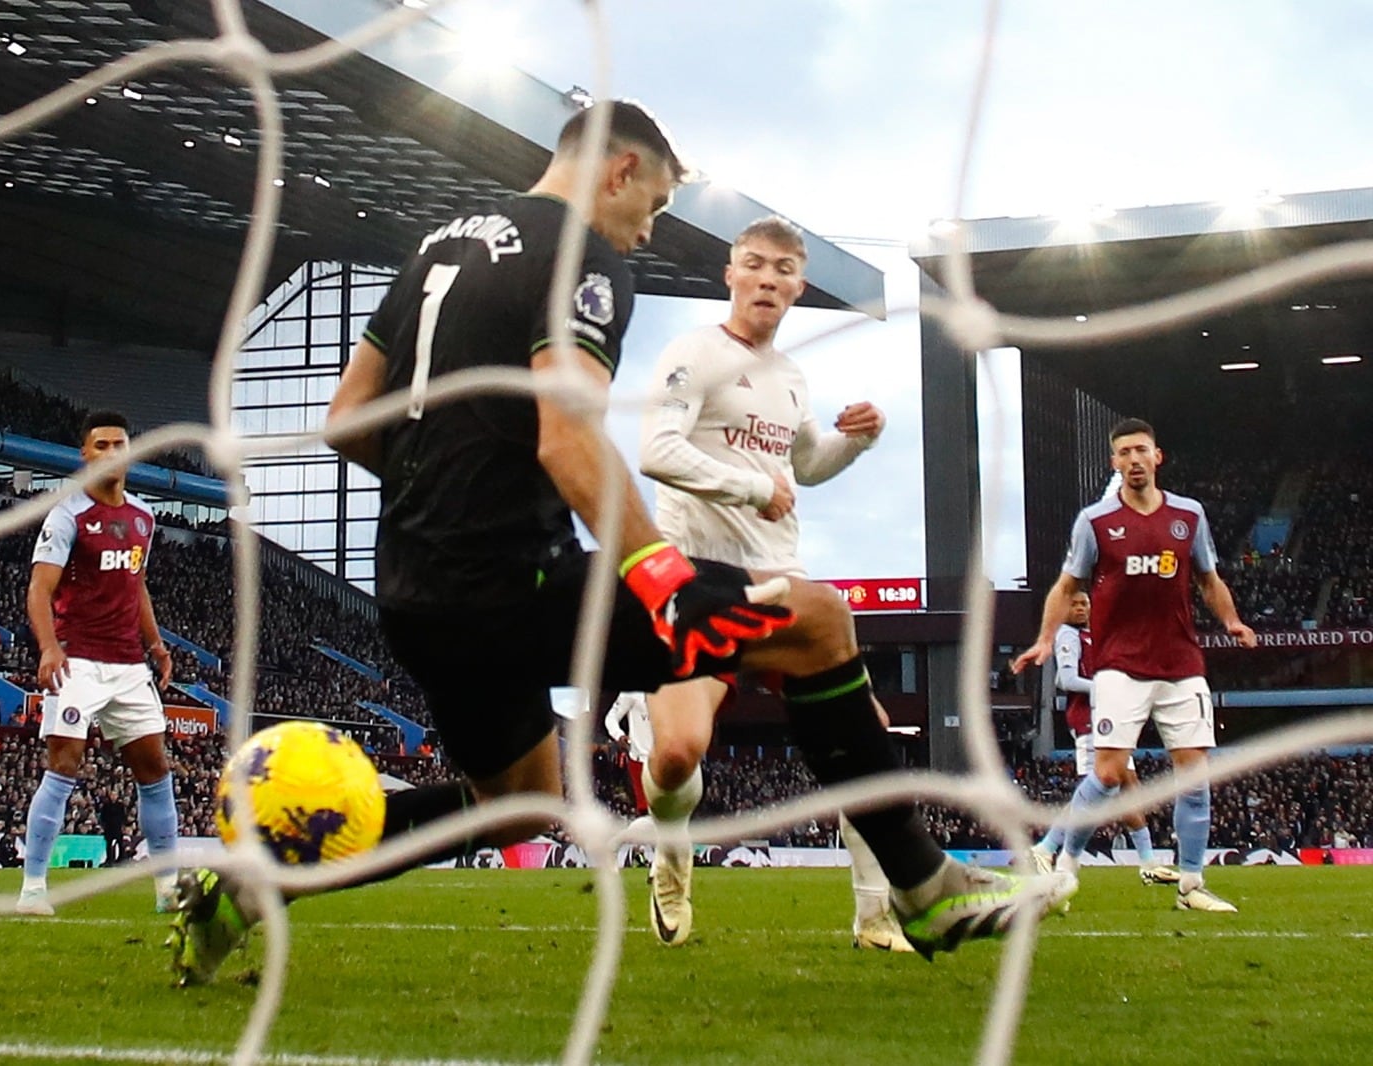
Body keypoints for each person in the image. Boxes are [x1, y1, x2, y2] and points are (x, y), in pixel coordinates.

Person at [167, 100, 1073, 985]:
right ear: (621, 170)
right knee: (821, 622)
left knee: (517, 807)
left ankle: (254, 886)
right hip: (515, 577)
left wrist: (439, 493)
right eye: (657, 206)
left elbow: (347, 422)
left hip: (414, 586)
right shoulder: (583, 257)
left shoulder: (437, 249)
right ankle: (922, 884)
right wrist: (658, 568)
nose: (648, 230)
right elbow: (568, 434)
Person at [635, 215, 910, 952]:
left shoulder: (790, 377)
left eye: (783, 269)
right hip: (696, 584)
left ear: (797, 284)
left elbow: (805, 466)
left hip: (779, 583)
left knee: (866, 739)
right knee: (676, 755)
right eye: (754, 264)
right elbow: (655, 450)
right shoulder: (693, 353)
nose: (767, 279)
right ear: (730, 274)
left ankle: (875, 914)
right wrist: (749, 490)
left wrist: (856, 441)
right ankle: (669, 854)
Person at [1013, 418, 1257, 912]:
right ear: (1114, 463)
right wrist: (1043, 640)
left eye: (1141, 451)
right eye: (1124, 453)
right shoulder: (1096, 522)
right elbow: (1066, 587)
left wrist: (1231, 621)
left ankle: (1191, 885)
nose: (1133, 460)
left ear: (1157, 456)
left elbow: (1209, 579)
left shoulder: (1189, 515)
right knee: (1106, 773)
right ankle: (1054, 857)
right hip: (1120, 665)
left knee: (1193, 774)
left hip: (1181, 663)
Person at [16, 411, 178, 916]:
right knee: (63, 765)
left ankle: (168, 889)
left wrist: (157, 644)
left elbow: (138, 584)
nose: (112, 452)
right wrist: (48, 647)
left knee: (155, 770)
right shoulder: (67, 515)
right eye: (101, 444)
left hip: (129, 666)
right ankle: (33, 889)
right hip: (77, 662)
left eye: (119, 444)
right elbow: (39, 590)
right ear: (85, 455)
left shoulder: (143, 519)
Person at [1028, 589, 1179, 885]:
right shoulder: (1067, 635)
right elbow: (1066, 679)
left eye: (1086, 603)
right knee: (1097, 791)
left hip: (1109, 719)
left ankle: (1148, 863)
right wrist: (1105, 687)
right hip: (1090, 721)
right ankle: (1046, 848)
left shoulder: (1092, 636)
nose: (1083, 608)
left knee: (1127, 789)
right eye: (1076, 604)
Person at [603, 691, 652, 817]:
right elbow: (611, 718)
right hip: (639, 760)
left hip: (665, 761)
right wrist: (618, 735)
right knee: (645, 813)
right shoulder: (632, 692)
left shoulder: (672, 690)